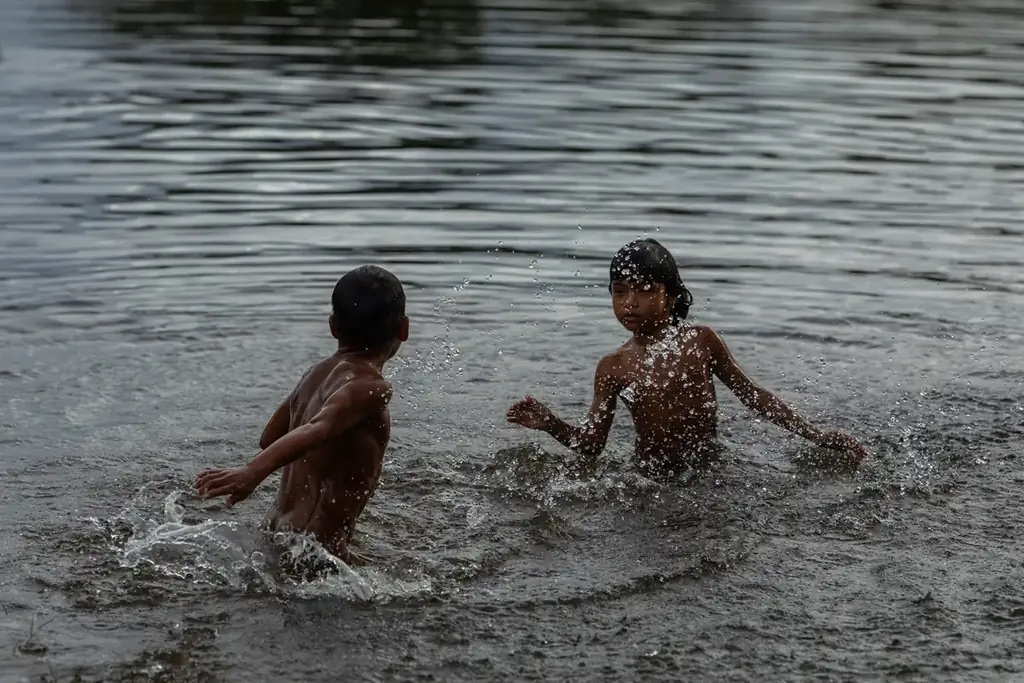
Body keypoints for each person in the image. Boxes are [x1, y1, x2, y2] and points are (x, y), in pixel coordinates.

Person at [506, 238, 867, 478]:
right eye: (619, 292)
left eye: (645, 291)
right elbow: (592, 446)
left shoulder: (701, 341)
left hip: (709, 469)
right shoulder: (613, 367)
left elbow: (755, 397)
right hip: (649, 477)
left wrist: (818, 435)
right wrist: (551, 423)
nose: (630, 302)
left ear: (672, 296)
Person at [195, 265, 408, 566]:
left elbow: (269, 438)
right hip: (314, 555)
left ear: (333, 326)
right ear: (404, 329)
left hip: (275, 535)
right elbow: (318, 428)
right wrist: (250, 472)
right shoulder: (372, 387)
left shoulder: (315, 374)